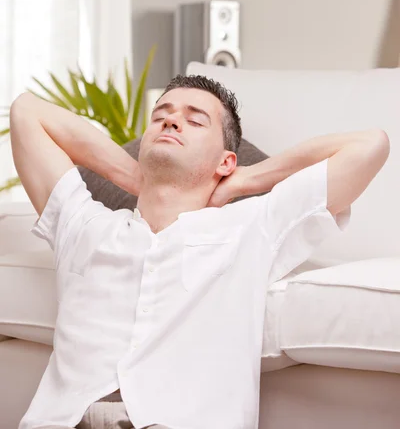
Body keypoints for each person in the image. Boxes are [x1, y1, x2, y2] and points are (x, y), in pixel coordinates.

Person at [10, 74, 390, 429]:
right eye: (162, 116)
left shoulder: (253, 228)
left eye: (195, 121)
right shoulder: (84, 226)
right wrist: (129, 173)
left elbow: (370, 146)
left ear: (226, 160)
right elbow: (26, 112)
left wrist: (248, 178)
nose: (172, 122)